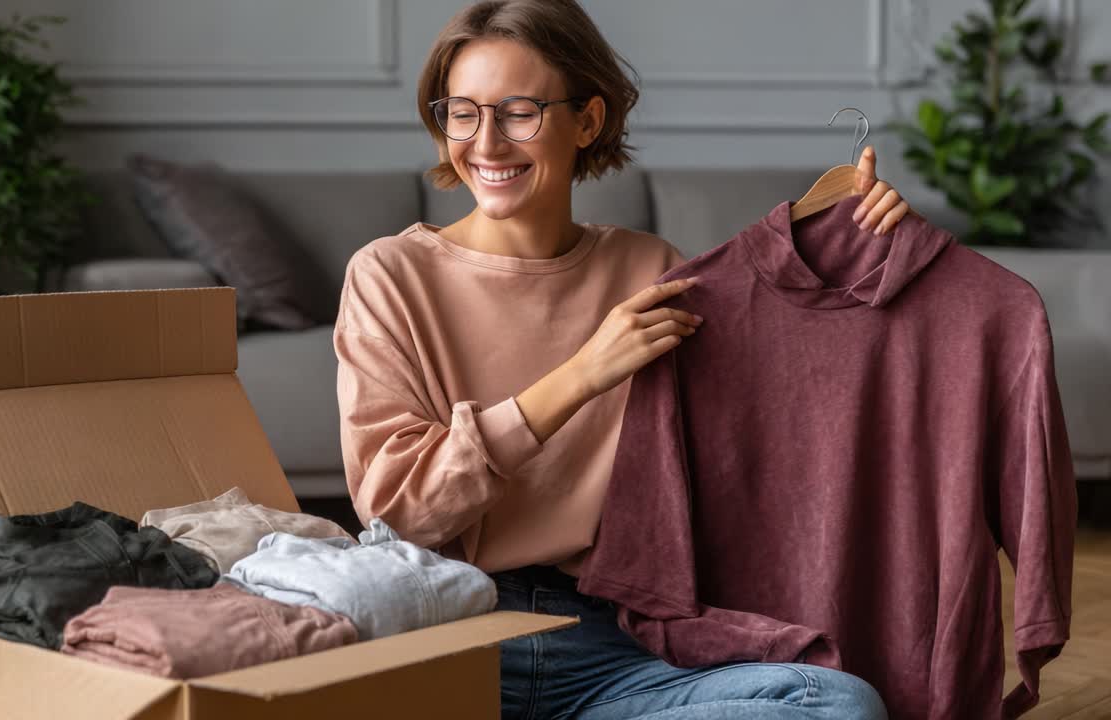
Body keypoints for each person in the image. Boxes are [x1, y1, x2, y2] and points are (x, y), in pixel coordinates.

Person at [334, 1, 907, 717]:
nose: (486, 143)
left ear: (588, 120)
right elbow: (399, 508)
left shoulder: (654, 270)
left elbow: (787, 425)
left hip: (621, 648)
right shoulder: (389, 275)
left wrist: (863, 258)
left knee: (839, 704)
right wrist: (580, 376)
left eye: (518, 112)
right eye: (462, 112)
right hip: (454, 634)